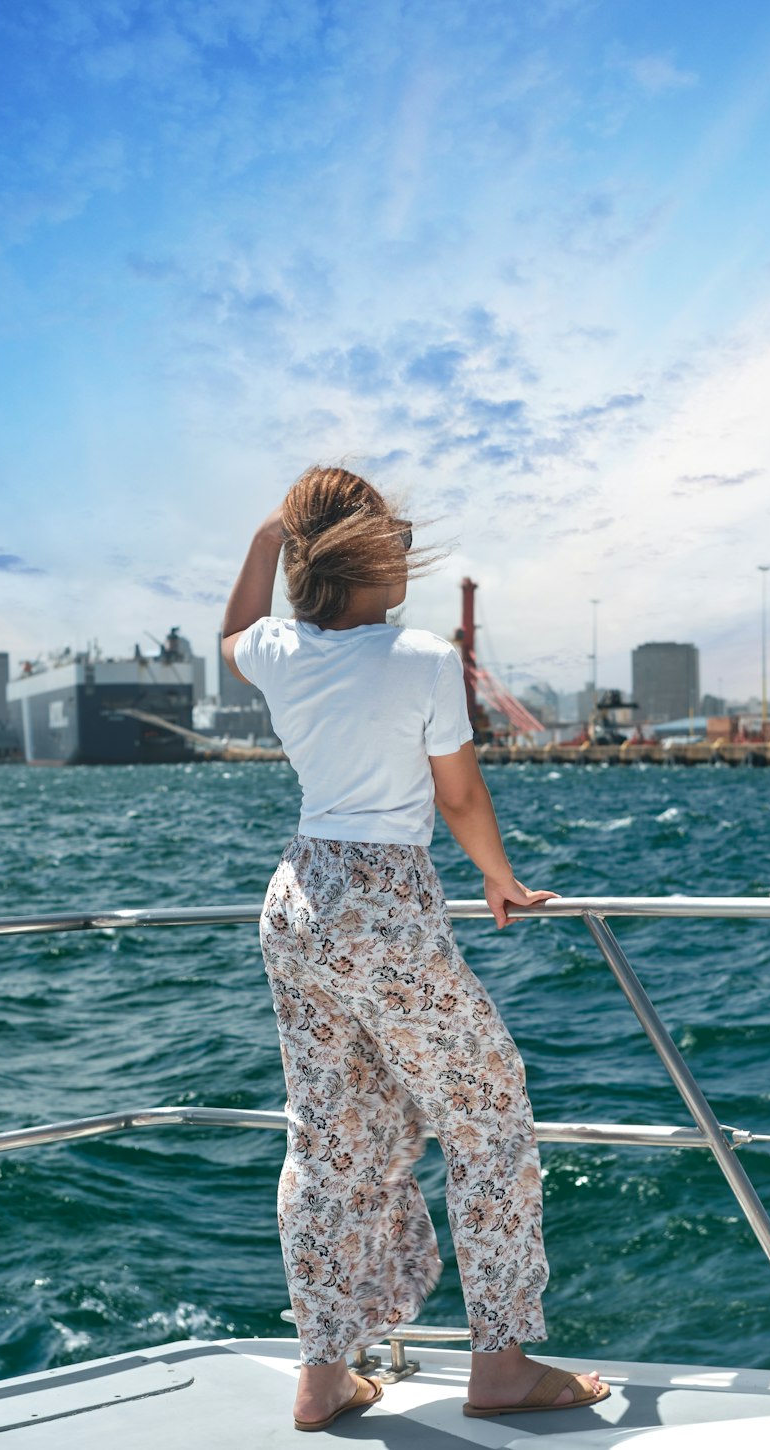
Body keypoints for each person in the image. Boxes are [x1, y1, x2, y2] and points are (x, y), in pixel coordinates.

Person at [221, 465, 609, 1432]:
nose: (404, 550)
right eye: (390, 537)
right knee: (488, 1117)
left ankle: (323, 1374)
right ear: (368, 555)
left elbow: (229, 633)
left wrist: (267, 536)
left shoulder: (280, 649)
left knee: (326, 1137)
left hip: (297, 898)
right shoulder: (424, 657)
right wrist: (499, 877)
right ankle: (503, 1363)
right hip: (383, 899)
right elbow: (460, 794)